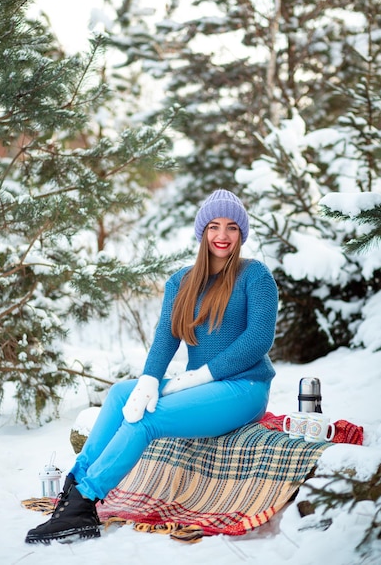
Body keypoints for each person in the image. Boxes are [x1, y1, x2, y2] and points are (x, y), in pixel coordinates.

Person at [25, 189, 279, 544]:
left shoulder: (256, 276)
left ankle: (86, 501)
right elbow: (165, 338)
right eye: (214, 226)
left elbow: (258, 341)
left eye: (232, 227)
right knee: (119, 395)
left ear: (242, 234)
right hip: (201, 385)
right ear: (202, 231)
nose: (222, 236)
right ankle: (73, 489)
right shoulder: (181, 282)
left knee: (148, 419)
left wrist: (196, 377)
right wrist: (148, 381)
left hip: (244, 388)